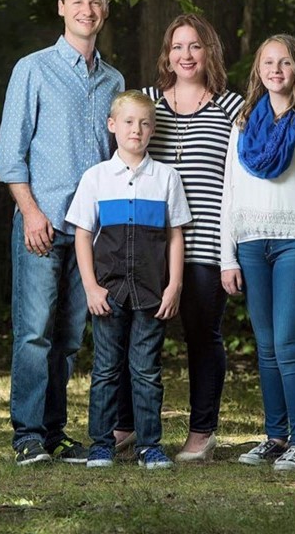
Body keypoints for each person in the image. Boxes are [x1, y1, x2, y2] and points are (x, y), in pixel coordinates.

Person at [0, 0, 124, 465]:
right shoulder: (33, 69)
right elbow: (10, 152)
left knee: (69, 339)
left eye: (95, 3)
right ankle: (26, 433)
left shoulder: (114, 80)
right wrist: (29, 212)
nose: (86, 11)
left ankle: (53, 432)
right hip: (42, 223)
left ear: (104, 11)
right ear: (62, 7)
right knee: (33, 333)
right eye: (78, 2)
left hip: (89, 231)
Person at [110, 13, 245, 462]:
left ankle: (201, 432)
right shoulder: (146, 102)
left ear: (209, 52)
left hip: (207, 244)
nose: (185, 55)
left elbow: (243, 182)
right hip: (146, 248)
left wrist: (234, 251)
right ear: (166, 53)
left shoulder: (232, 107)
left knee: (203, 336)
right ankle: (126, 426)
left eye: (195, 46)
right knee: (136, 336)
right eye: (177, 47)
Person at [219, 34, 295, 472]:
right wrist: (226, 256)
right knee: (266, 346)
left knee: (289, 343)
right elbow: (230, 192)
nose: (275, 70)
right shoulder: (243, 123)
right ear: (258, 70)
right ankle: (275, 437)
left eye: (284, 63)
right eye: (267, 62)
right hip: (251, 242)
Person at [66, 90, 192, 470]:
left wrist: (174, 286)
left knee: (147, 370)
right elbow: (83, 234)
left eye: (144, 122)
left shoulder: (166, 178)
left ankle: (149, 445)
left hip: (153, 292)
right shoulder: (97, 178)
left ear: (153, 128)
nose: (136, 130)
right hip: (108, 292)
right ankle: (102, 444)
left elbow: (175, 236)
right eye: (128, 122)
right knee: (105, 369)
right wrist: (90, 286)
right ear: (112, 126)